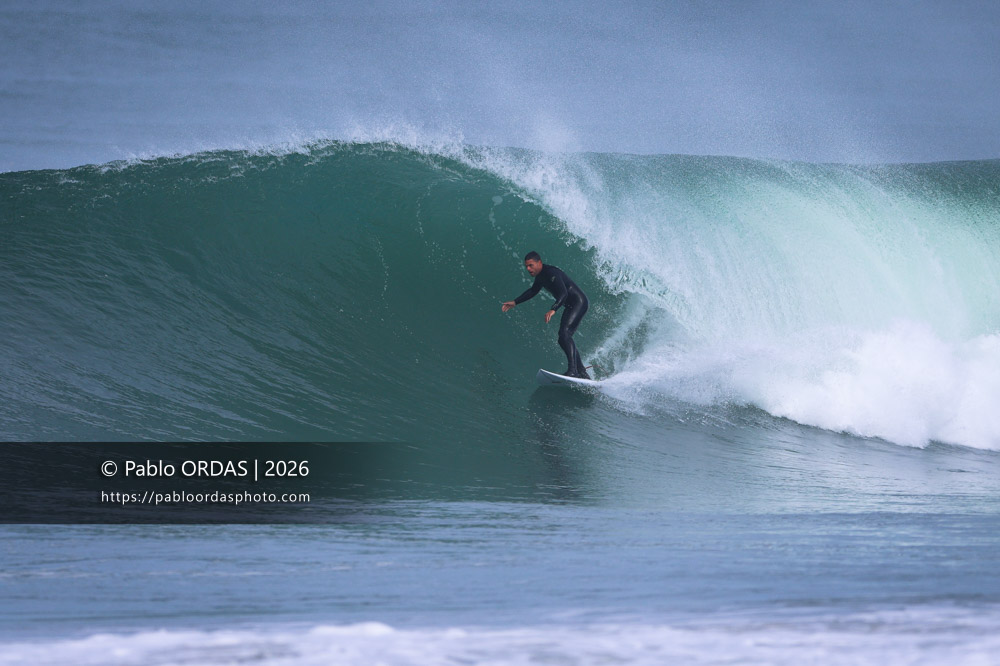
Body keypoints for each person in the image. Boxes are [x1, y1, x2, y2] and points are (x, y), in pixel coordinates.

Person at [502, 251, 590, 379]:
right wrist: (516, 302)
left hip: (578, 302)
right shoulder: (540, 277)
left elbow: (564, 293)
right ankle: (581, 371)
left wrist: (553, 309)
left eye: (531, 265)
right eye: (526, 266)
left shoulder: (551, 273)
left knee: (565, 335)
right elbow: (533, 291)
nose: (528, 269)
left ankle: (573, 371)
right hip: (570, 305)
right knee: (563, 337)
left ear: (539, 263)